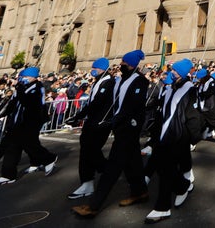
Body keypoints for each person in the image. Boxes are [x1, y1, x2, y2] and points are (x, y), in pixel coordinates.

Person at [72, 50, 150, 219]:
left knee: (112, 168)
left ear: (131, 65)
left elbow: (132, 106)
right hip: (120, 126)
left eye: (124, 63)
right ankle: (140, 191)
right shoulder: (120, 80)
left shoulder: (140, 82)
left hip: (129, 128)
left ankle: (94, 205)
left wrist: (113, 121)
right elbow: (113, 102)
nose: (121, 65)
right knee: (133, 162)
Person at [0, 66, 57, 184]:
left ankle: (48, 159)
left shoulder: (37, 88)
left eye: (25, 77)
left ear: (33, 77)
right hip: (17, 123)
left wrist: (20, 90)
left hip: (29, 123)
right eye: (22, 77)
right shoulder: (23, 87)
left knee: (28, 145)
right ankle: (3, 173)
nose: (23, 79)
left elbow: (29, 103)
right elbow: (12, 104)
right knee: (11, 147)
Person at [144, 60, 204, 223]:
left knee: (166, 170)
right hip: (165, 134)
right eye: (173, 70)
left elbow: (192, 114)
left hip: (179, 135)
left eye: (176, 71)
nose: (173, 72)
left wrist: (194, 136)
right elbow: (163, 113)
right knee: (164, 169)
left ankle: (162, 208)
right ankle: (183, 185)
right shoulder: (170, 88)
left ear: (183, 73)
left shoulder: (189, 88)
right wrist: (154, 135)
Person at [65, 57, 114, 200]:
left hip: (100, 123)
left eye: (95, 68)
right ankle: (88, 181)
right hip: (92, 122)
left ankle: (107, 171)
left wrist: (79, 115)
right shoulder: (99, 82)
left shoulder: (108, 82)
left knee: (90, 149)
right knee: (87, 149)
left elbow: (97, 103)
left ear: (101, 69)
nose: (93, 70)